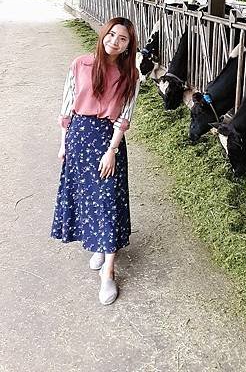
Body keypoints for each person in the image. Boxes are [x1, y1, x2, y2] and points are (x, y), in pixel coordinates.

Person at [51, 17, 140, 305]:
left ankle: (108, 271)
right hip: (79, 135)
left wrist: (112, 149)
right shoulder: (80, 63)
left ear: (128, 46)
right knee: (87, 197)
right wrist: (63, 143)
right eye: (112, 34)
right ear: (104, 34)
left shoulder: (130, 75)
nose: (115, 41)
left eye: (122, 38)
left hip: (107, 139)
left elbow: (125, 115)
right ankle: (99, 247)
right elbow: (67, 105)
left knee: (109, 199)